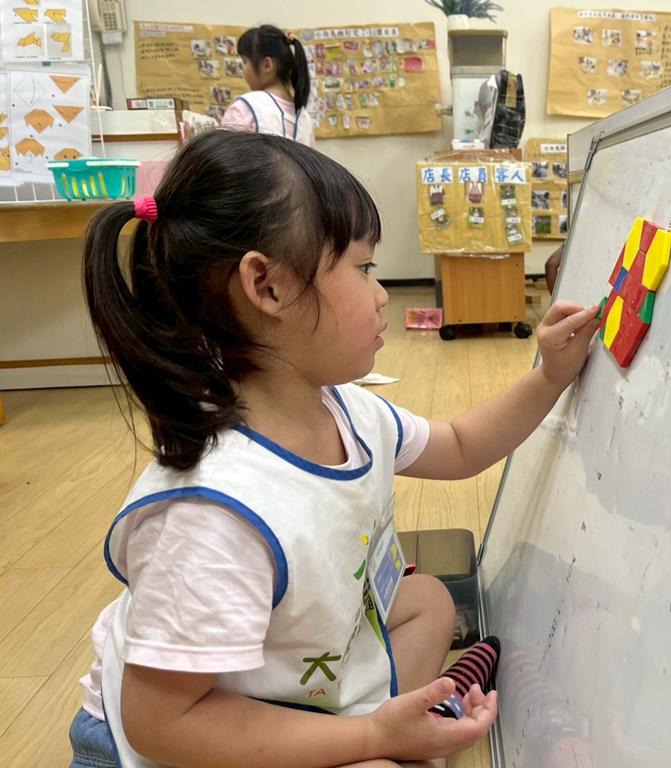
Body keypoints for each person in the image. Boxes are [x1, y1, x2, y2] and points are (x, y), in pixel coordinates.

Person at [68, 130, 601, 768]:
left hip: (289, 681)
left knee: (430, 602)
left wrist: (549, 376)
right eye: (363, 268)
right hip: (172, 743)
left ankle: (389, 734)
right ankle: (387, 741)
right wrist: (373, 739)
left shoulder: (346, 409)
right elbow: (163, 724)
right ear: (267, 286)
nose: (381, 293)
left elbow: (460, 447)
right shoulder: (212, 516)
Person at [221, 24, 315, 146]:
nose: (243, 71)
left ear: (267, 65)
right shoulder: (304, 119)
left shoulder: (245, 109)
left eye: (245, 62)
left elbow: (222, 156)